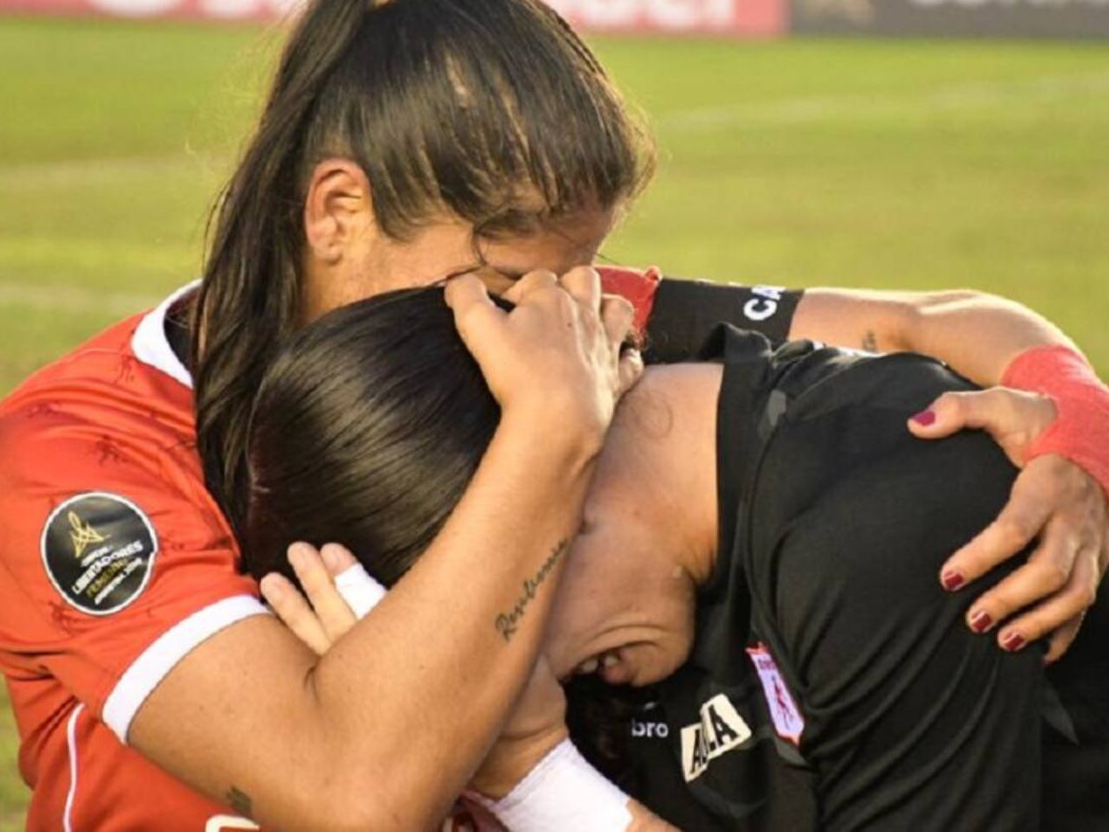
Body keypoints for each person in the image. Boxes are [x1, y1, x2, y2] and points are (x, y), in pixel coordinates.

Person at [0, 0, 1108, 829]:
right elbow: (350, 796)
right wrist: (555, 431)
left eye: (579, 272)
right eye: (508, 274)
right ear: (338, 212)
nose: (566, 314)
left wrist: (1080, 433)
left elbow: (935, 319)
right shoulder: (83, 450)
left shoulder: (537, 313)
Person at [244, 281, 1109, 831]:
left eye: (490, 621)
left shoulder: (890, 524)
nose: (502, 672)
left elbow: (923, 319)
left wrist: (532, 779)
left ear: (547, 486)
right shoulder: (573, 402)